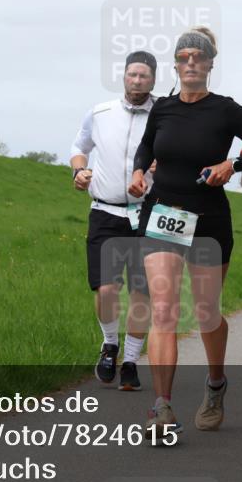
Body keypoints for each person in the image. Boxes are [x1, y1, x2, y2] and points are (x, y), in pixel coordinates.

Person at [128, 26, 242, 440]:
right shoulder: (162, 110)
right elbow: (146, 147)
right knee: (163, 310)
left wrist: (234, 164)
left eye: (199, 56)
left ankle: (215, 385)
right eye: (184, 56)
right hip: (163, 215)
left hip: (209, 219)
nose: (191, 61)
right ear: (176, 65)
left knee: (207, 311)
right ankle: (162, 407)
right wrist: (140, 171)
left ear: (211, 64)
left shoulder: (226, 110)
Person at [70, 51, 157, 391]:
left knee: (142, 293)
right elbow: (79, 146)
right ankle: (110, 345)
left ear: (153, 79)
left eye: (144, 76)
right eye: (133, 75)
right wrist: (80, 170)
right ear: (124, 76)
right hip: (105, 211)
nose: (137, 81)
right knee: (106, 288)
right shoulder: (101, 113)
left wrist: (156, 169)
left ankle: (132, 361)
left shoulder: (163, 114)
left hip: (146, 215)